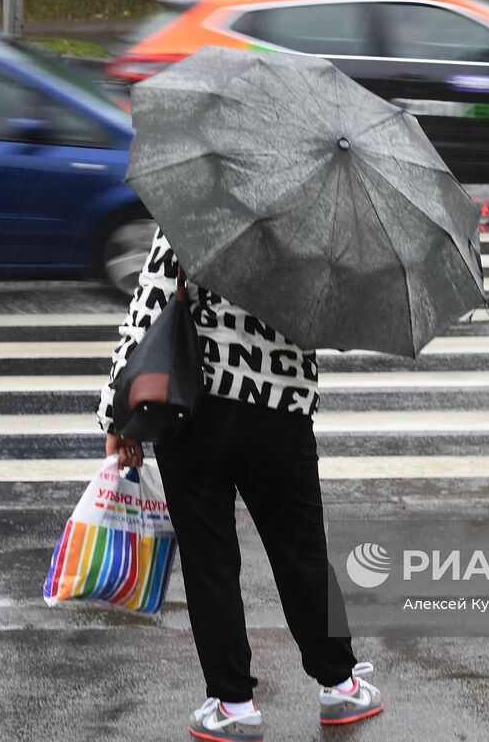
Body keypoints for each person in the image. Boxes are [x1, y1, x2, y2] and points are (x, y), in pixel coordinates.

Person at [100, 228, 383, 742]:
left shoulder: (195, 207)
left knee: (210, 562)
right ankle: (340, 685)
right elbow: (337, 325)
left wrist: (115, 418)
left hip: (193, 408)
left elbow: (147, 310)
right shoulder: (313, 223)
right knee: (303, 553)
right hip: (280, 411)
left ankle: (232, 704)